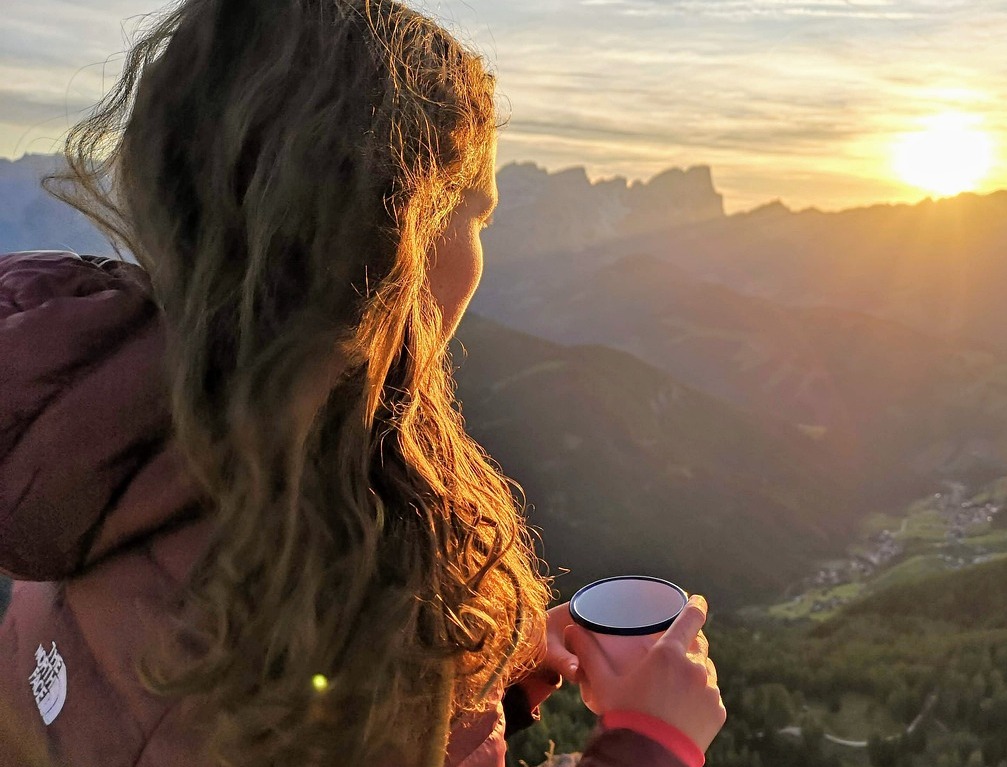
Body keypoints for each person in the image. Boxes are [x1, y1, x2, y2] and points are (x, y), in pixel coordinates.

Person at [0, 1, 725, 766]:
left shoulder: (92, 443)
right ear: (399, 232)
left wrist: (484, 678)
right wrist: (653, 739)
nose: (482, 252)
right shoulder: (334, 588)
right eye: (477, 215)